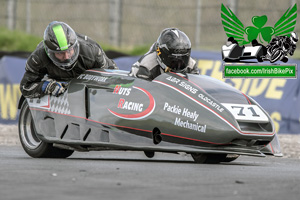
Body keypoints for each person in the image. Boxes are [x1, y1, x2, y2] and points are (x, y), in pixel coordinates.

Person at [20, 21, 117, 98]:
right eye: (60, 53)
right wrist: (47, 86)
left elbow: (113, 74)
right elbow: (25, 87)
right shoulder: (38, 57)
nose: (66, 57)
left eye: (70, 51)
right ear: (50, 52)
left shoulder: (91, 51)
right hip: (58, 87)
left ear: (75, 46)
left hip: (89, 87)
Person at [129, 28, 199, 81]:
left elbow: (197, 88)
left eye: (182, 60)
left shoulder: (191, 65)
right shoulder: (147, 66)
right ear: (162, 56)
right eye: (173, 61)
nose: (178, 65)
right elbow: (143, 94)